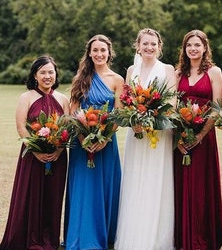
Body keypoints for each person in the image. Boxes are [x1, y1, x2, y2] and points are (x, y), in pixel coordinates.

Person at [114, 28, 176, 250]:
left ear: (159, 47)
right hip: (137, 133)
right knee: (135, 178)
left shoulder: (167, 69)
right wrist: (134, 120)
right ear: (137, 46)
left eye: (153, 44)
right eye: (145, 44)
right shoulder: (132, 70)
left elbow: (172, 104)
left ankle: (156, 237)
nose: (149, 48)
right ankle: (134, 234)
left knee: (155, 179)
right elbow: (126, 101)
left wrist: (152, 119)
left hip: (159, 134)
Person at [0, 55, 69, 249]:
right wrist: (36, 150)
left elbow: (67, 130)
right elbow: (21, 128)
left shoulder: (63, 99)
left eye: (51, 72)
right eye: (43, 72)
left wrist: (58, 150)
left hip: (58, 157)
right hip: (32, 155)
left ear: (56, 74)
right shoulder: (26, 97)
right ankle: (27, 238)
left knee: (52, 197)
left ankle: (49, 240)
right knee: (29, 195)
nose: (47, 76)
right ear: (35, 76)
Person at [63, 34, 124, 249]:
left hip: (107, 144)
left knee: (105, 187)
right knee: (84, 188)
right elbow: (73, 112)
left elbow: (119, 114)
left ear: (109, 52)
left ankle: (104, 235)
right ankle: (80, 236)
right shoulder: (81, 77)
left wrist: (104, 138)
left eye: (102, 50)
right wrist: (83, 137)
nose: (99, 54)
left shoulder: (117, 80)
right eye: (95, 50)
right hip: (82, 143)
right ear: (89, 53)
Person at [173, 29, 222, 250]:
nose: (193, 49)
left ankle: (203, 237)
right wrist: (179, 136)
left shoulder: (214, 72)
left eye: (197, 45)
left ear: (205, 48)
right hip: (181, 138)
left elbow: (217, 107)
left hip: (204, 138)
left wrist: (201, 134)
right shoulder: (177, 73)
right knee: (182, 185)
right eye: (189, 45)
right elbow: (172, 107)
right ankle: (183, 237)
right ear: (184, 49)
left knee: (202, 187)